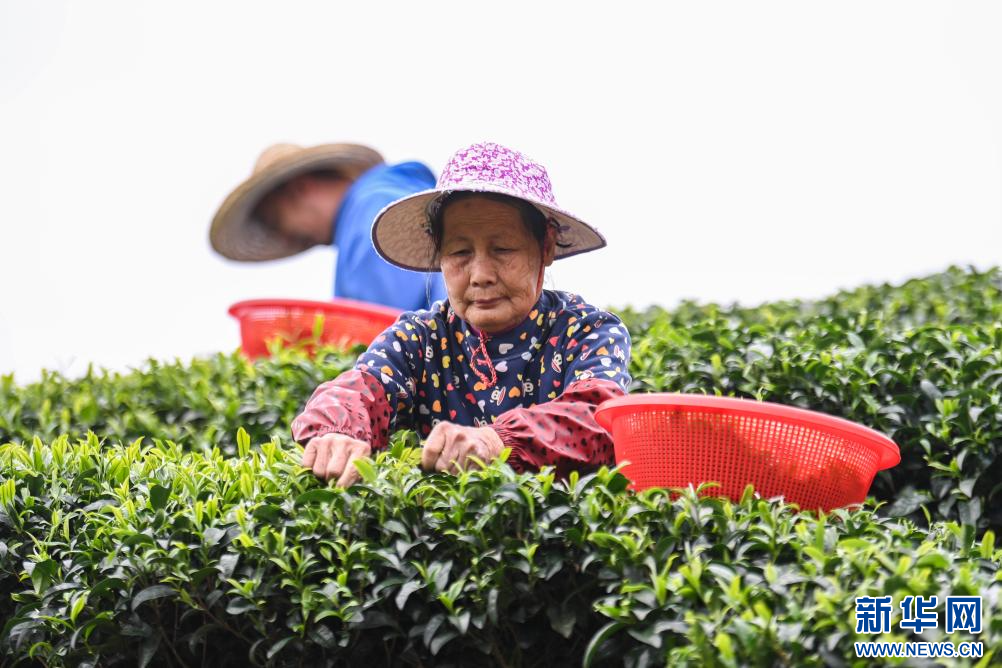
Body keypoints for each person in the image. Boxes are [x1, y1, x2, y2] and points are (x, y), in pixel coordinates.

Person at [292, 142, 632, 486]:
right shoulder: (418, 340)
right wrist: (338, 432)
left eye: (503, 249)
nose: (480, 275)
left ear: (545, 247)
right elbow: (360, 389)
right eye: (459, 253)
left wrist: (494, 442)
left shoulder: (587, 332)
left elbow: (599, 416)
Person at [209, 142, 447, 311]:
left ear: (300, 188)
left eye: (276, 222)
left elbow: (378, 331)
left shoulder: (372, 212)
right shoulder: (385, 197)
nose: (287, 238)